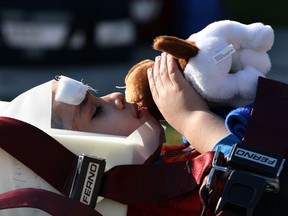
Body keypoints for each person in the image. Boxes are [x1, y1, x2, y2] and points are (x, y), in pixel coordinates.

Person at [0, 52, 235, 216]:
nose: (115, 96)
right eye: (96, 111)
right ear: (83, 176)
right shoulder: (157, 204)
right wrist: (194, 119)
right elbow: (262, 183)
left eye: (96, 95)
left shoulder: (155, 181)